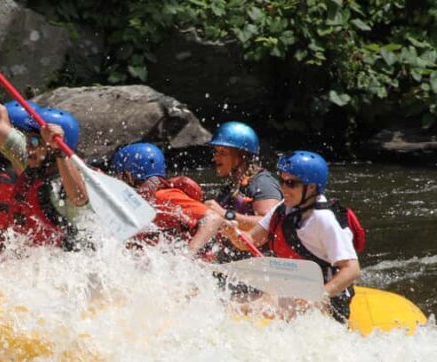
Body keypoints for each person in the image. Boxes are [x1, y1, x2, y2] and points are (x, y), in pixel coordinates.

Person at [0, 46, 90, 250]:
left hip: (68, 258)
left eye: (35, 142)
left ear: (54, 151)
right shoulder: (30, 156)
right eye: (29, 139)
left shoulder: (73, 177)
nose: (29, 147)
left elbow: (79, 198)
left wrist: (60, 152)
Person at [223, 150, 361, 322]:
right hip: (295, 287)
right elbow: (250, 240)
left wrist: (320, 296)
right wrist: (234, 234)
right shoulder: (283, 208)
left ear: (311, 187)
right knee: (238, 305)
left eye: (290, 183)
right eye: (281, 181)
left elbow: (352, 269)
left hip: (329, 299)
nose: (283, 188)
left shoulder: (324, 219)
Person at [109, 142, 223, 255]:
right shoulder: (144, 205)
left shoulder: (163, 197)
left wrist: (187, 255)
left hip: (197, 261)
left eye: (119, 176)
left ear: (129, 176)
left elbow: (213, 218)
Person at [204, 121, 282, 231]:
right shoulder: (230, 189)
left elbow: (270, 223)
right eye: (215, 152)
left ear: (242, 155)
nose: (215, 158)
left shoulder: (263, 183)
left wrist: (225, 214)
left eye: (223, 152)